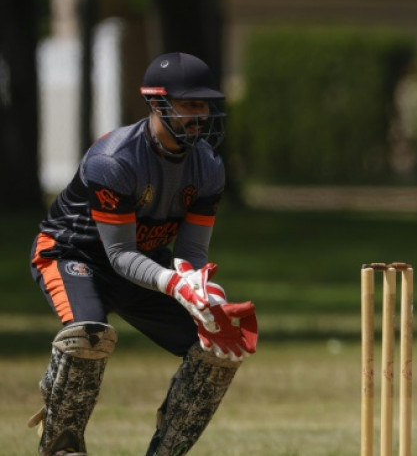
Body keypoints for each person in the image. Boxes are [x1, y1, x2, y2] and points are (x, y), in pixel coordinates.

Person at [28, 52, 258, 456]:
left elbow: (190, 251)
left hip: (143, 263)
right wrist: (174, 283)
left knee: (218, 347)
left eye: (205, 105)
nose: (201, 115)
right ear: (156, 103)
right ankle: (62, 444)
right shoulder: (115, 160)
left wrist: (202, 288)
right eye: (190, 104)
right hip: (72, 254)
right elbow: (118, 253)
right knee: (89, 336)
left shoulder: (208, 166)